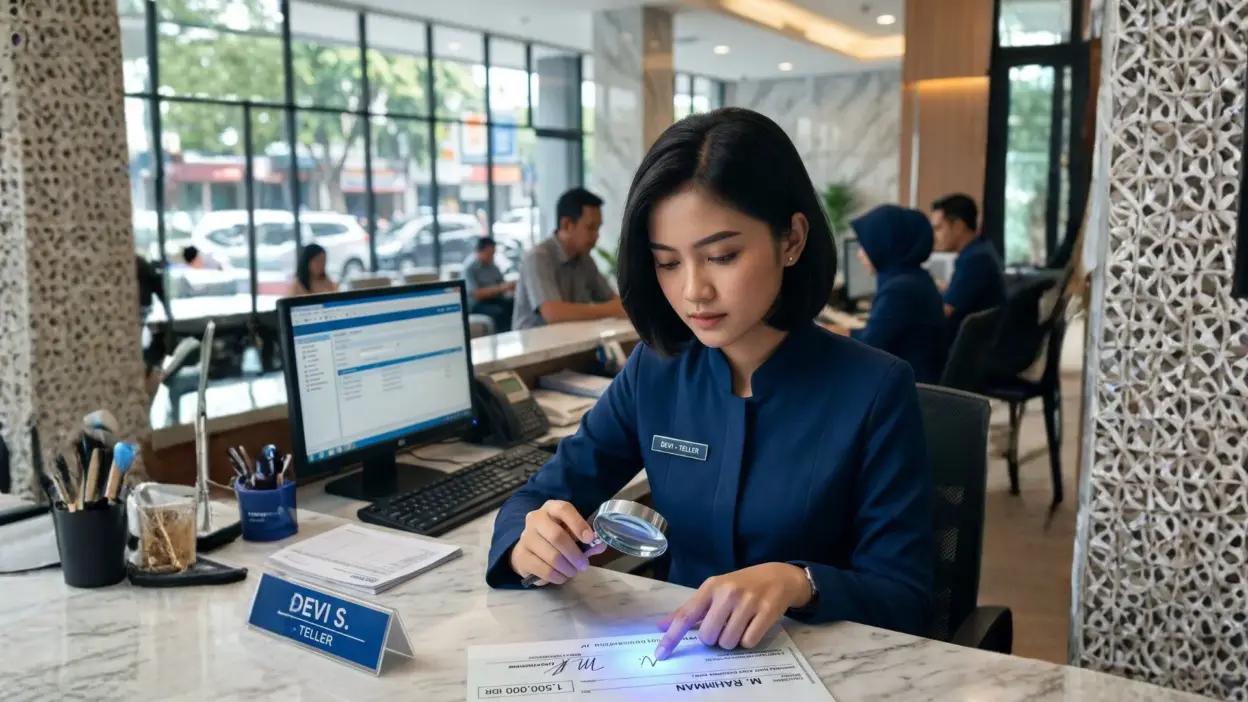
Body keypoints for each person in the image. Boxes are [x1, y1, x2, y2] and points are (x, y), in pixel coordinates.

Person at [486, 108, 934, 659]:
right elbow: (537, 496)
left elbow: (909, 596)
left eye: (721, 256)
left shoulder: (875, 389)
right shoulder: (656, 369)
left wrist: (800, 582)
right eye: (668, 263)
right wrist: (528, 541)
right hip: (676, 664)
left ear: (791, 239)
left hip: (817, 670)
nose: (694, 290)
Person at [824, 205, 947, 384]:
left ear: (885, 244)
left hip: (908, 390)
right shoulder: (916, 278)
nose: (860, 255)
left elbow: (868, 347)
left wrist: (828, 333)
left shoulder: (901, 290)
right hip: (913, 381)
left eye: (865, 246)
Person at [510, 187, 627, 330]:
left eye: (598, 228)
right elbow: (553, 313)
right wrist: (610, 309)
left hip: (570, 341)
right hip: (534, 347)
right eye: (590, 228)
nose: (597, 236)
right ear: (566, 225)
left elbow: (613, 300)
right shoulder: (539, 257)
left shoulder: (585, 259)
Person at [930, 194, 1005, 341]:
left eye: (938, 228)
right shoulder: (980, 250)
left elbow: (944, 311)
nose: (934, 236)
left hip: (958, 350)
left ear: (958, 227)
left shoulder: (976, 260)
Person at [463, 237, 516, 332]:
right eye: (488, 254)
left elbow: (502, 284)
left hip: (494, 299)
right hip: (476, 304)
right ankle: (501, 338)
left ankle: (514, 332)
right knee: (497, 312)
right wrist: (500, 288)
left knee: (513, 303)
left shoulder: (493, 266)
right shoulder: (470, 268)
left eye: (493, 253)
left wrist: (510, 287)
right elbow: (476, 294)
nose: (491, 257)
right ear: (479, 251)